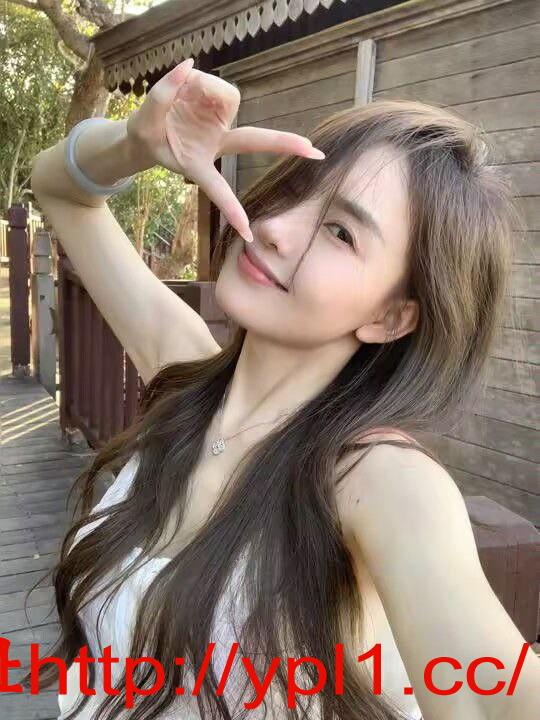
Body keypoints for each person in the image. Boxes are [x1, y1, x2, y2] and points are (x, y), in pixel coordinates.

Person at [27, 57, 539, 720]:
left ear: (391, 317)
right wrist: (135, 144)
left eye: (340, 232)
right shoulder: (185, 376)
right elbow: (58, 188)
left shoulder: (375, 480)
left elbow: (492, 700)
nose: (273, 225)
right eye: (297, 189)